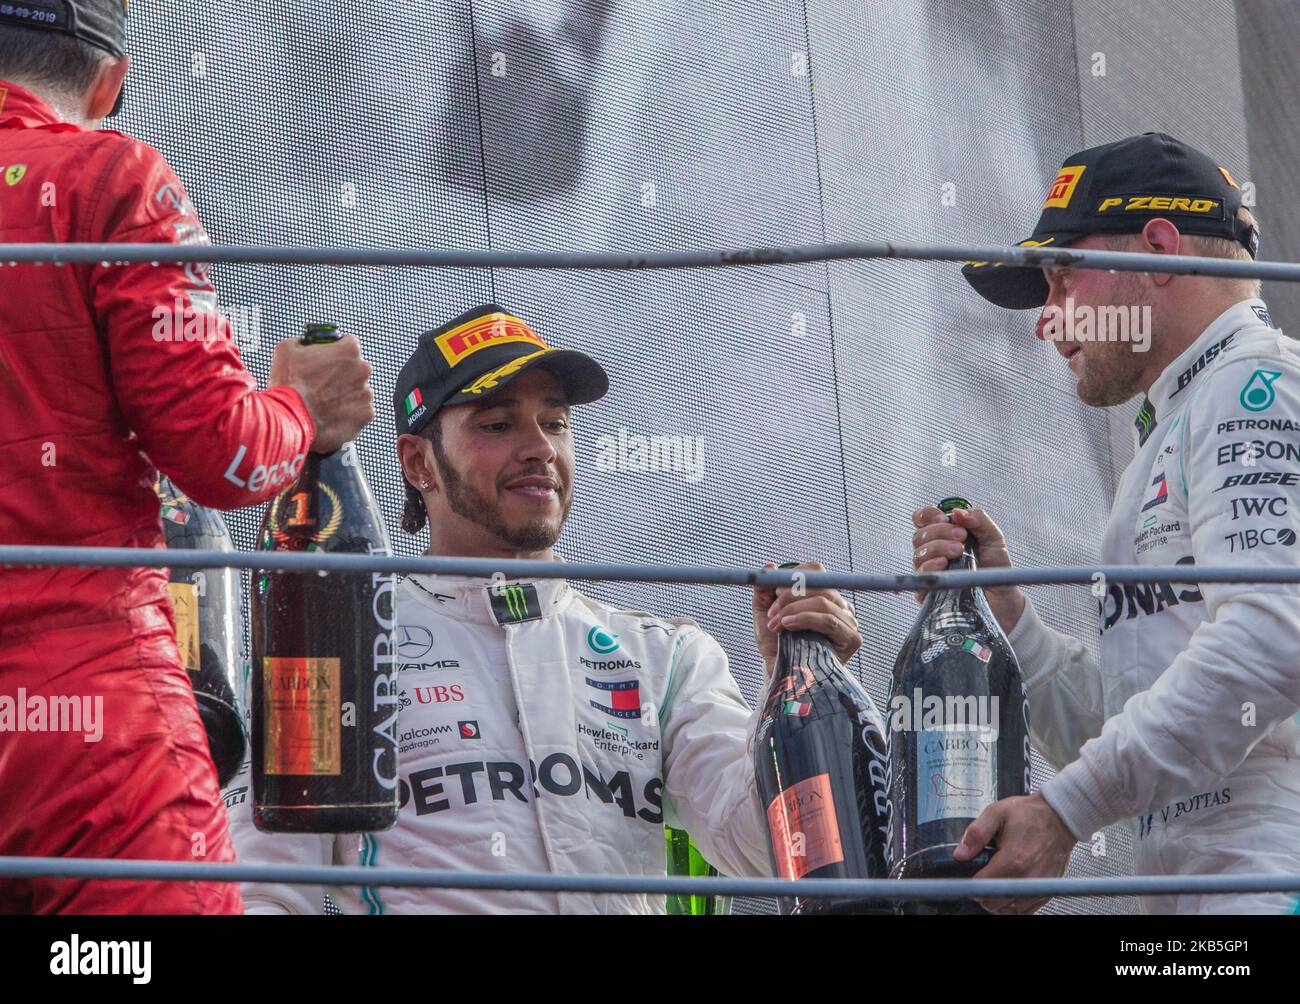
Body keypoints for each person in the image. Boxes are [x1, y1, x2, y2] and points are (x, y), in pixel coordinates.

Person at [225, 304, 863, 913]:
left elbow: (771, 847)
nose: (538, 447)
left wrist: (799, 698)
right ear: (419, 462)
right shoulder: (345, 645)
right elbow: (264, 887)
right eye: (499, 425)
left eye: (554, 422)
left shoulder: (664, 657)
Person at [0, 2, 374, 914]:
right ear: (109, 83)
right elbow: (223, 457)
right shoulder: (109, 175)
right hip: (87, 709)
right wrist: (301, 408)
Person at [911, 133, 1300, 914]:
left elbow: (1274, 638)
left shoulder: (1254, 385)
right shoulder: (1174, 426)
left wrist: (1064, 812)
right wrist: (1009, 616)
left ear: (1161, 249)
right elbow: (1132, 723)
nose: (1045, 322)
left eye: (1061, 279)